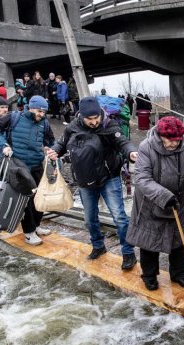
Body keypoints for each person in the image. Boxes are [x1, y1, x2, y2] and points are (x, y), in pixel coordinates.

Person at [45, 97, 138, 270]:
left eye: (97, 117)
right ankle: (98, 245)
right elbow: (61, 143)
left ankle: (128, 253)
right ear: (81, 116)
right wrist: (55, 151)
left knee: (119, 217)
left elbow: (122, 142)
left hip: (108, 178)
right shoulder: (72, 127)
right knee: (89, 219)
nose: (95, 122)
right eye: (90, 119)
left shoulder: (109, 126)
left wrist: (131, 152)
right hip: (84, 179)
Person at [126, 116, 184, 291]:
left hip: (179, 201)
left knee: (180, 241)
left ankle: (178, 274)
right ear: (161, 136)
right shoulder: (146, 147)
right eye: (171, 140)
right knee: (149, 242)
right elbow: (142, 178)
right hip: (151, 202)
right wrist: (164, 196)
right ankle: (149, 276)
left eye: (178, 140)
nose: (175, 144)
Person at [0, 95, 56, 245]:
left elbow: (51, 141)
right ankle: (29, 232)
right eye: (39, 111)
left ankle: (37, 226)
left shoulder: (44, 122)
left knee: (39, 198)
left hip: (37, 165)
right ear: (30, 108)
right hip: (18, 167)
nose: (41, 114)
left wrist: (50, 149)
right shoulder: (14, 117)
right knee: (24, 200)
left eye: (44, 112)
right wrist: (3, 145)